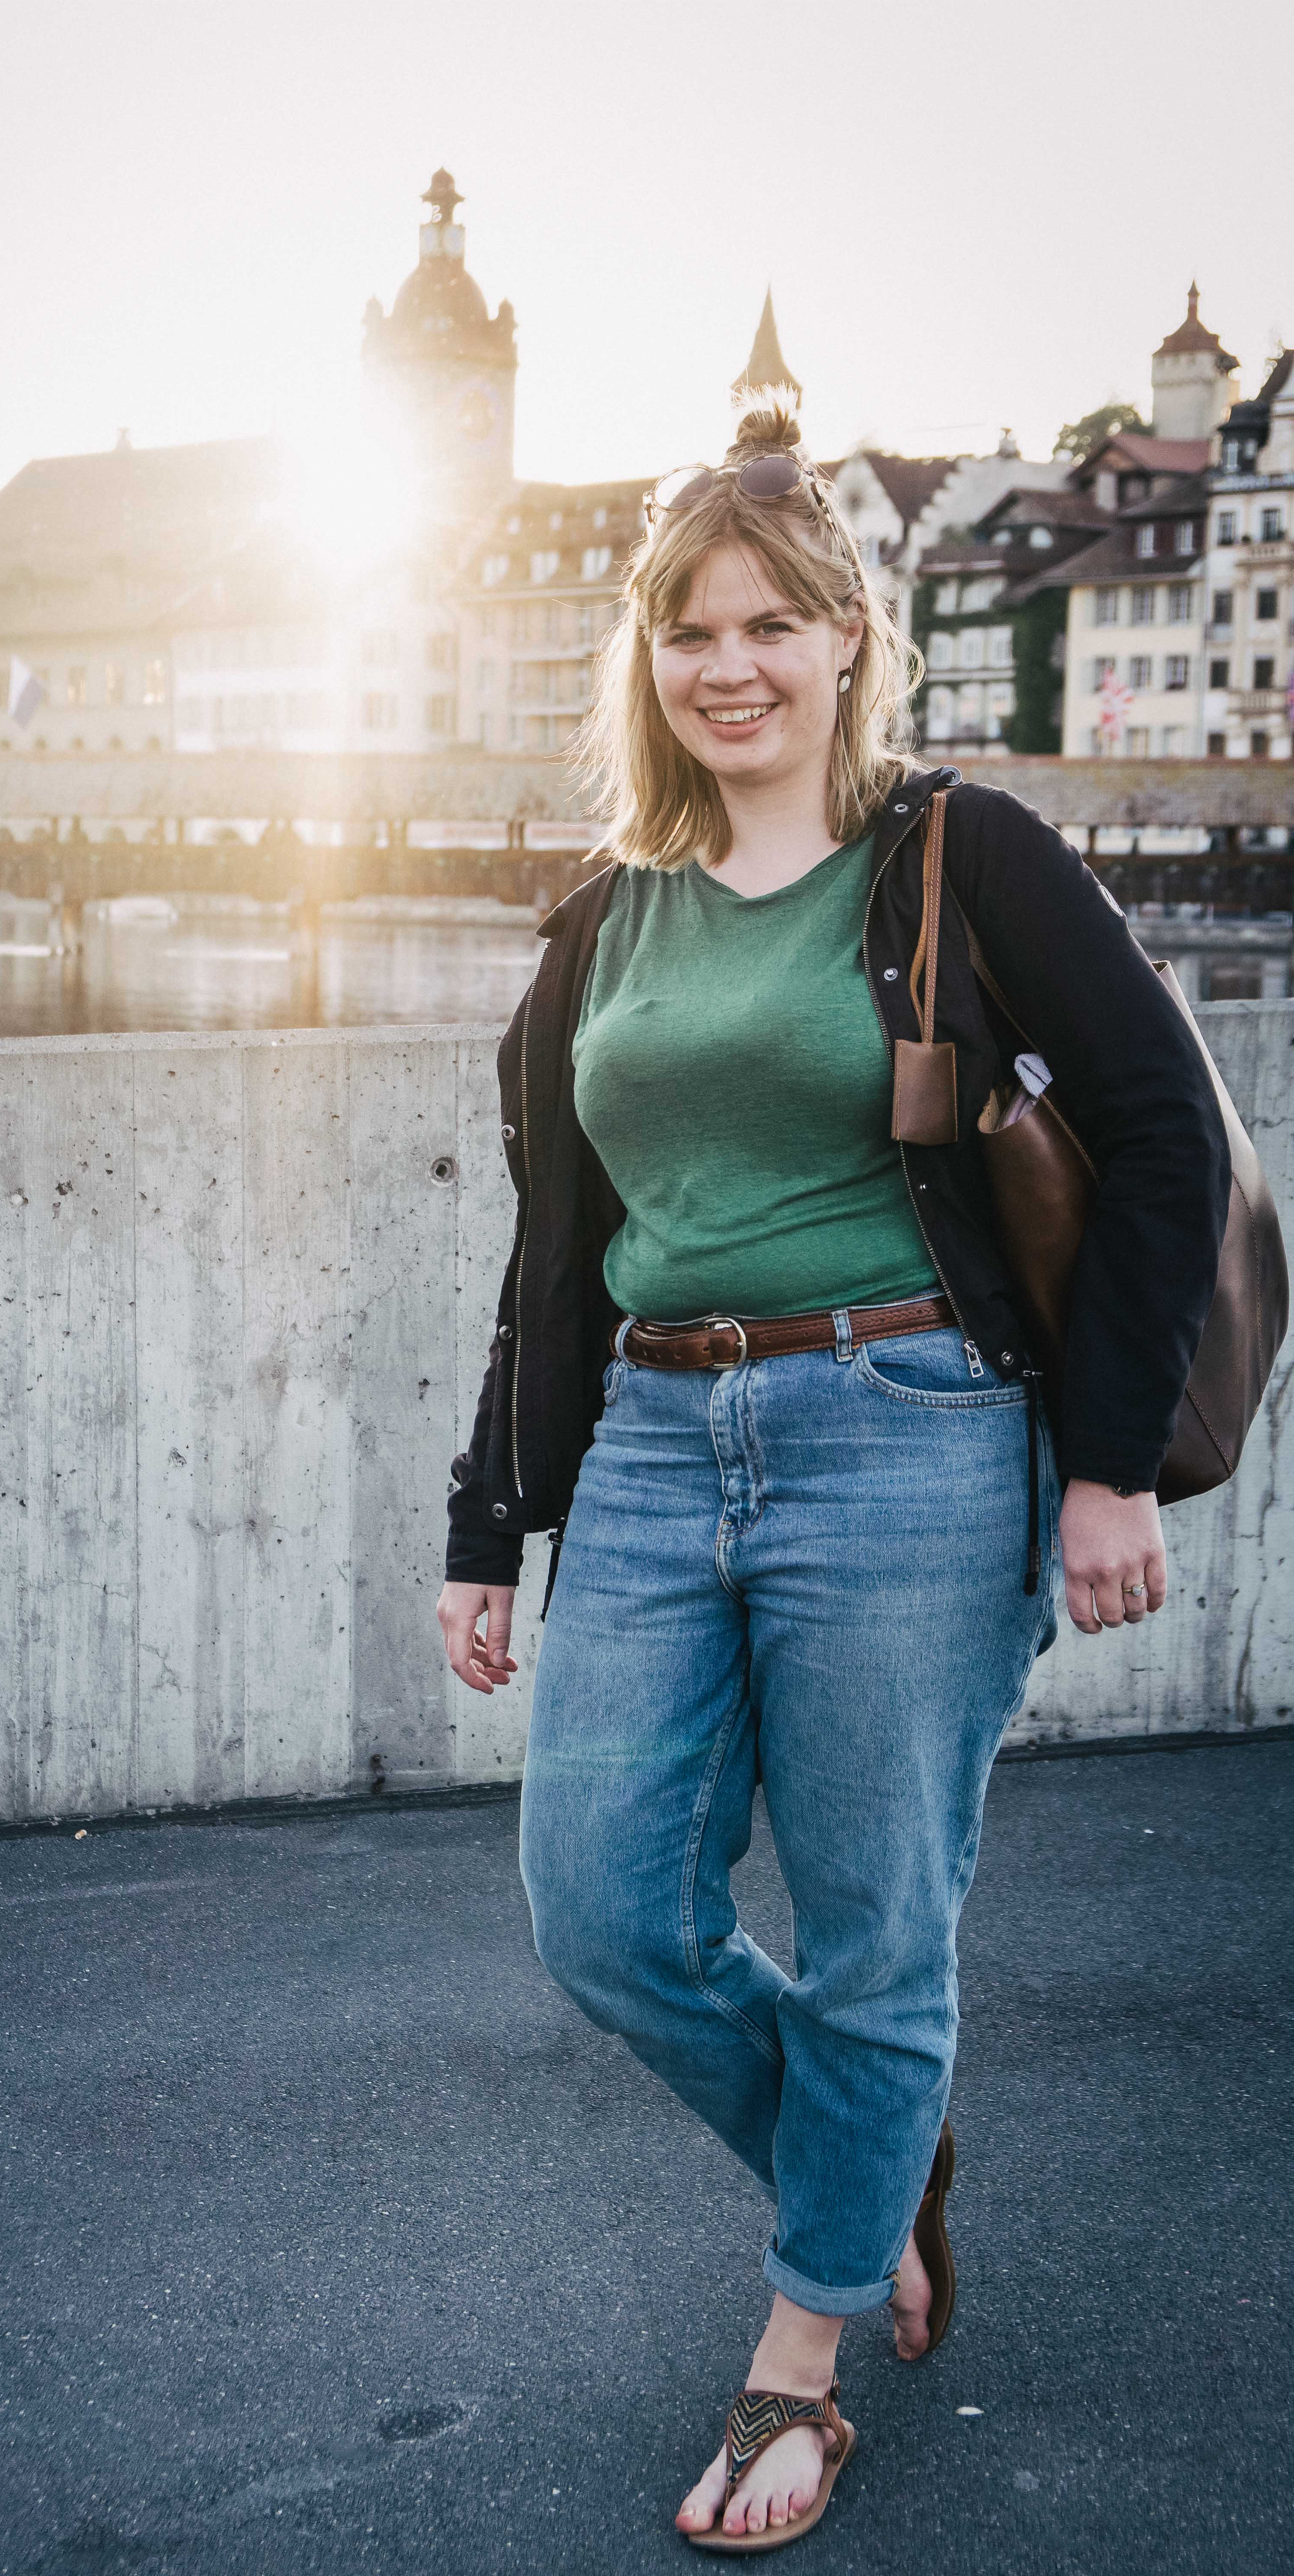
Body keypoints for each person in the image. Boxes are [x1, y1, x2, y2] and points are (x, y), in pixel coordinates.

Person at [436, 407, 1231, 2553]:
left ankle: (800, 2373)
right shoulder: (604, 917)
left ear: (845, 643)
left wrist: (1102, 1472)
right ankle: (870, 2165)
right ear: (648, 663)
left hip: (912, 1438)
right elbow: (553, 1243)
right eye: (689, 629)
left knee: (880, 1933)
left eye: (771, 622)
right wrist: (487, 1520)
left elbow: (1169, 1143)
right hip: (655, 1436)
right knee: (601, 1912)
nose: (730, 665)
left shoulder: (958, 854)